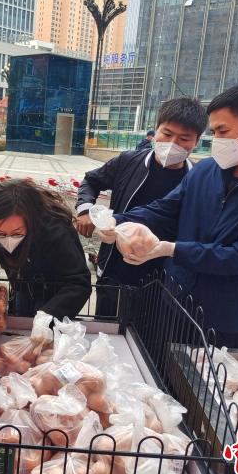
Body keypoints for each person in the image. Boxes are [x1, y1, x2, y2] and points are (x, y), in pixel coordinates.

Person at [100, 85, 238, 348]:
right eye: (214, 132)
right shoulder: (205, 170)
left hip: (222, 320)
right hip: (172, 303)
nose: (217, 140)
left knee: (204, 385)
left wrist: (171, 249)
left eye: (223, 131)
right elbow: (165, 209)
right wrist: (119, 221)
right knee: (160, 373)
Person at [75, 97, 209, 317]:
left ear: (197, 141)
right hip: (116, 268)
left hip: (164, 277)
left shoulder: (197, 178)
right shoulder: (129, 162)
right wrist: (84, 209)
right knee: (106, 330)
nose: (172, 143)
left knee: (147, 342)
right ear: (155, 130)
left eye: (184, 138)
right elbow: (92, 180)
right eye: (166, 134)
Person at [0, 179, 91, 320]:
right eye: (0, 234)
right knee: (22, 322)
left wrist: (47, 318)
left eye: (17, 233)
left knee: (41, 329)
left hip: (55, 294)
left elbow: (79, 283)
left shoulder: (55, 231)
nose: (8, 240)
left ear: (30, 220)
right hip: (22, 286)